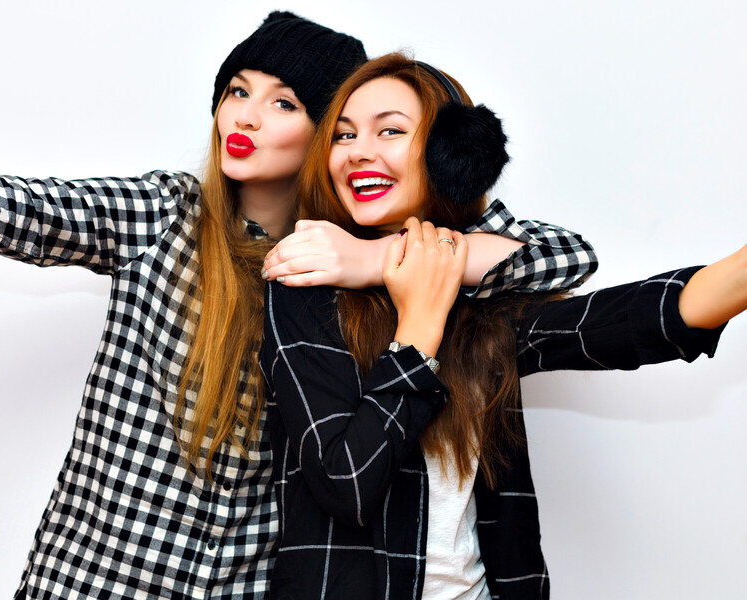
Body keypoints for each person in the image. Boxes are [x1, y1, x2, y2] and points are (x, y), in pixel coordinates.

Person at [0, 14, 598, 600]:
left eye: (283, 102)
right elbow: (12, 209)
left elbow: (560, 253)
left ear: (326, 137)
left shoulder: (365, 276)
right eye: (237, 90)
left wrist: (372, 258)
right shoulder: (163, 216)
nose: (246, 114)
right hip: (95, 579)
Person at [259, 52, 746, 600]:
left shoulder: (479, 293)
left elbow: (598, 313)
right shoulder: (304, 285)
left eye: (390, 130)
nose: (358, 153)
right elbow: (347, 481)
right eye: (343, 137)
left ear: (450, 156)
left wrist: (381, 261)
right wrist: (417, 333)